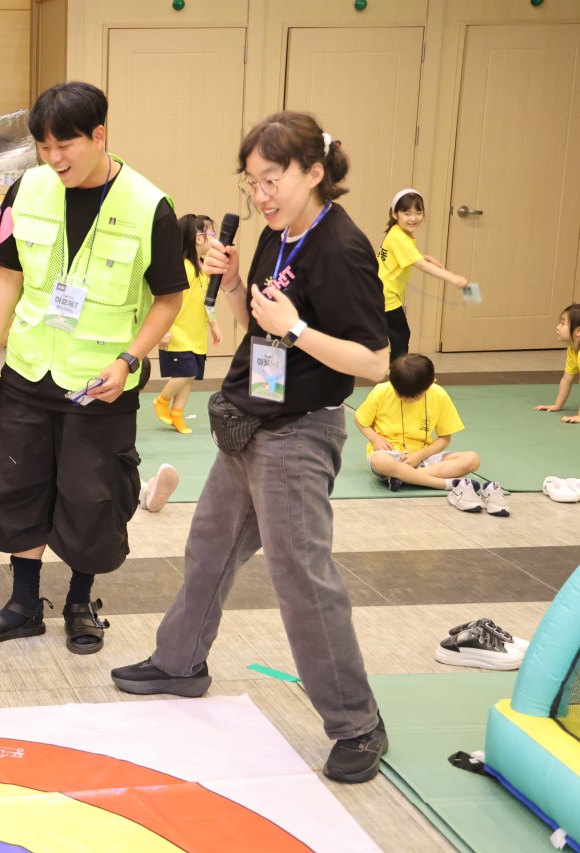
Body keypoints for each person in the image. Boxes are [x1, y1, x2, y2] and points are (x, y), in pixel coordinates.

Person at [111, 112, 393, 784]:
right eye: (252, 183)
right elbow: (255, 325)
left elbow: (376, 361)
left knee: (302, 580)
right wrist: (236, 282)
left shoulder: (342, 248)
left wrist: (296, 329)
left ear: (314, 172)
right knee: (209, 546)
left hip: (298, 433)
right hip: (250, 421)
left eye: (273, 179)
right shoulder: (277, 234)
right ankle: (179, 662)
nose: (261, 195)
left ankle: (358, 724)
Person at [0, 81, 185, 656]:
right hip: (28, 370)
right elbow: (7, 274)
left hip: (100, 383)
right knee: (17, 484)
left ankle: (80, 603)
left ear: (99, 135)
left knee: (93, 495)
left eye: (65, 145)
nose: (54, 158)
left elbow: (169, 298)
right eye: (44, 146)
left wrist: (128, 360)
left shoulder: (149, 206)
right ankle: (23, 605)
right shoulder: (25, 189)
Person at [356, 354, 506, 515]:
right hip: (390, 454)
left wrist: (420, 455)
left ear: (431, 383)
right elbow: (360, 420)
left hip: (425, 456)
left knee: (472, 459)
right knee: (380, 460)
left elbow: (444, 439)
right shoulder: (381, 391)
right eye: (401, 395)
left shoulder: (439, 395)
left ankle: (402, 477)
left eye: (415, 397)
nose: (408, 400)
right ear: (391, 381)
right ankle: (447, 484)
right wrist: (375, 438)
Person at [377, 188, 472, 361]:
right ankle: (399, 372)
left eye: (418, 212)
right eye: (407, 213)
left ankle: (395, 369)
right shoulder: (400, 237)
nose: (413, 218)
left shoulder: (397, 232)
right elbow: (419, 265)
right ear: (395, 214)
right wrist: (453, 278)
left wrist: (425, 256)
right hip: (386, 295)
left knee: (394, 334)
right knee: (400, 335)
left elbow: (407, 254)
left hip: (380, 291)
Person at [153, 213, 223, 434]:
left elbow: (206, 301)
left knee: (189, 378)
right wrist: (163, 331)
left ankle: (177, 414)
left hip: (196, 334)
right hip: (178, 333)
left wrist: (214, 325)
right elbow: (164, 301)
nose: (215, 238)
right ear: (199, 238)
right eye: (212, 233)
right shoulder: (183, 268)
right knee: (187, 372)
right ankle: (162, 401)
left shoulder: (202, 271)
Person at [535, 304, 580, 423]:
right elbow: (566, 379)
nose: (558, 327)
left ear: (578, 331)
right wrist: (557, 405)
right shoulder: (572, 351)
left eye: (563, 323)